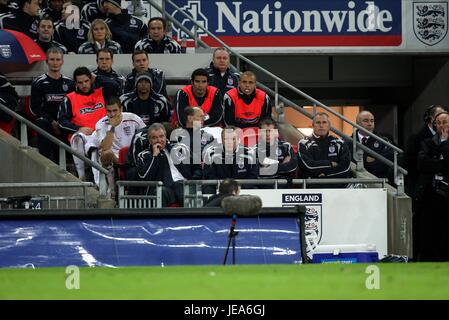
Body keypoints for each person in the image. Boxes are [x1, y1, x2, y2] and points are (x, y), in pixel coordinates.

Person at [86, 96, 145, 195]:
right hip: (113, 155)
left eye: (115, 110)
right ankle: (111, 190)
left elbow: (145, 134)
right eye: (109, 111)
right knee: (106, 153)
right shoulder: (101, 124)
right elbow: (105, 147)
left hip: (131, 154)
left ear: (121, 109)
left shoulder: (133, 118)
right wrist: (112, 127)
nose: (112, 114)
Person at [58, 66, 107, 180]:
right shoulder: (70, 98)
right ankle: (82, 176)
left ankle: (101, 184)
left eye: (86, 81)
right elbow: (61, 121)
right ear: (76, 83)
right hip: (83, 135)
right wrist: (78, 128)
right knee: (78, 138)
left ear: (91, 80)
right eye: (80, 82)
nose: (84, 85)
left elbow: (115, 85)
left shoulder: (101, 93)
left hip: (101, 134)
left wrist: (97, 78)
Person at [30, 47, 75, 162]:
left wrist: (62, 122)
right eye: (52, 59)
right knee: (41, 122)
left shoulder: (69, 83)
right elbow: (34, 108)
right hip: (47, 121)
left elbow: (73, 106)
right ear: (47, 61)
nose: (55, 63)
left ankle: (70, 162)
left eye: (58, 60)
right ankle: (45, 159)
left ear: (62, 62)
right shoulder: (39, 82)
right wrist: (51, 121)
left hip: (64, 121)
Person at [416, 111, 449, 261]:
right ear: (434, 125)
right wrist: (441, 163)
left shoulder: (436, 145)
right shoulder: (427, 142)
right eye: (439, 123)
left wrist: (443, 144)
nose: (442, 125)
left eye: (445, 122)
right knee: (429, 230)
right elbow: (422, 164)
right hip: (431, 194)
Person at [136, 123, 194, 206]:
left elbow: (196, 167)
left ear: (166, 136)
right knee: (161, 192)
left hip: (182, 185)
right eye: (154, 138)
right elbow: (145, 177)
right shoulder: (144, 155)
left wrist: (194, 179)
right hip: (164, 188)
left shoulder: (179, 149)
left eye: (161, 136)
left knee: (182, 186)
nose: (159, 140)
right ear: (149, 140)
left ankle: (192, 218)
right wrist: (154, 156)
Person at [298, 112, 351, 183]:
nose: (321, 125)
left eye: (324, 122)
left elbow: (345, 168)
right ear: (313, 125)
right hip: (312, 187)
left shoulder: (340, 143)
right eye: (318, 122)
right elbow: (308, 166)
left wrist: (325, 175)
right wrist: (330, 163)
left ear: (329, 126)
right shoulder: (303, 143)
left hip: (336, 187)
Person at [203, 126, 258, 194]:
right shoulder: (211, 153)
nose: (229, 142)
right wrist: (224, 187)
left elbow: (253, 175)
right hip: (219, 190)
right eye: (226, 139)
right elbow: (208, 175)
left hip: (243, 190)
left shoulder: (249, 153)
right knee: (207, 189)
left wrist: (240, 187)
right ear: (222, 139)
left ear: (238, 139)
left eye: (233, 139)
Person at [351, 110, 394, 181]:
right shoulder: (347, 141)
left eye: (372, 121)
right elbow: (348, 162)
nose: (370, 124)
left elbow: (385, 165)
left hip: (378, 182)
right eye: (366, 121)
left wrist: (362, 159)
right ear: (357, 124)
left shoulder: (383, 141)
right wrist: (366, 158)